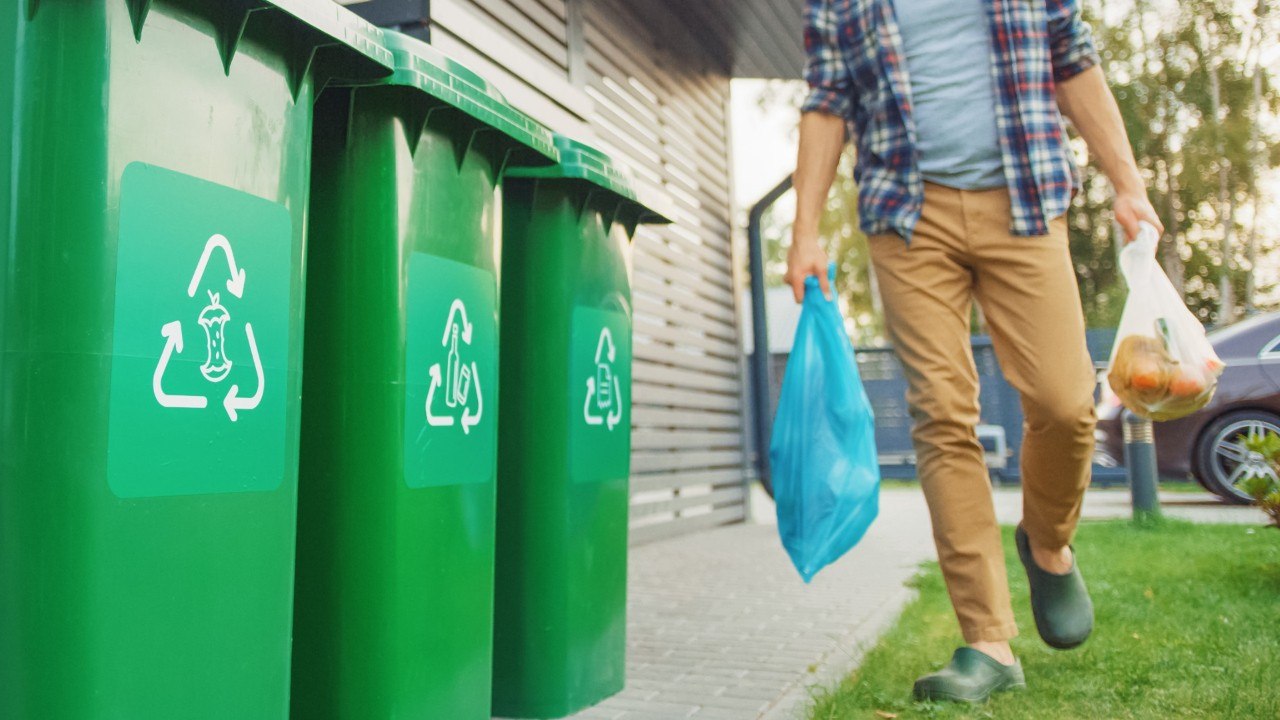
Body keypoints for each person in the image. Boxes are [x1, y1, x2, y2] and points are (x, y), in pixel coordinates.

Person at [789, 0, 1162, 703]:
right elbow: (827, 98)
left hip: (1025, 196)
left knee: (1065, 400)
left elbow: (1070, 55)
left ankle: (1047, 542)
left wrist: (1128, 183)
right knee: (941, 413)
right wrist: (805, 230)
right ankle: (987, 640)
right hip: (905, 215)